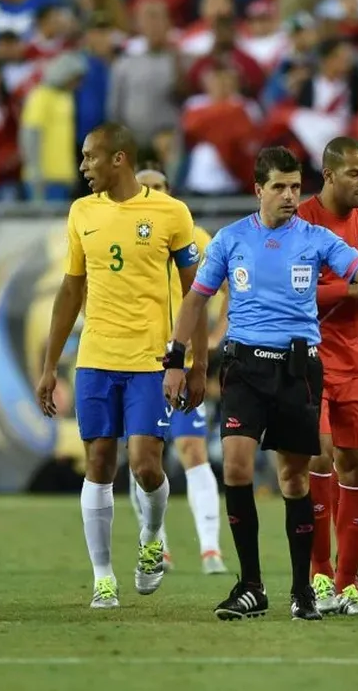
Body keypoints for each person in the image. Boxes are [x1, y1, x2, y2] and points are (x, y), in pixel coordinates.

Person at [162, 146, 358, 622]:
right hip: (244, 368)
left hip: (298, 370)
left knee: (294, 478)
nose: (289, 196)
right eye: (279, 187)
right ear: (258, 189)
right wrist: (178, 360)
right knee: (236, 467)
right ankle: (250, 586)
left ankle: (303, 591)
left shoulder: (317, 238)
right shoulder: (230, 239)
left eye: (295, 187)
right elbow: (195, 300)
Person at [36, 123, 208, 609]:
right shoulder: (81, 212)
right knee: (98, 463)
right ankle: (103, 576)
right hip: (95, 359)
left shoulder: (171, 212)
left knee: (146, 466)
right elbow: (71, 290)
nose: (83, 166)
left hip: (151, 361)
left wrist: (195, 364)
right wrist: (49, 365)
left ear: (119, 159)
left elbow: (196, 293)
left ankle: (152, 536)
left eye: (90, 156)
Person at [125, 164, 227, 576]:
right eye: (144, 187)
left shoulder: (195, 238)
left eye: (159, 186)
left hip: (180, 363)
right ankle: (158, 546)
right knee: (142, 458)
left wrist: (217, 334)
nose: (152, 193)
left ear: (170, 190)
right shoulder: (123, 236)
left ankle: (210, 550)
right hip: (135, 362)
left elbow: (229, 286)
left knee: (192, 449)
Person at [296, 137, 358, 616]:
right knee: (319, 456)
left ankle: (349, 584)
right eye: (354, 174)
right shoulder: (301, 220)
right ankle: (320, 575)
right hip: (308, 359)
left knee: (356, 466)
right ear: (329, 175)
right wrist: (349, 291)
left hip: (355, 360)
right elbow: (291, 289)